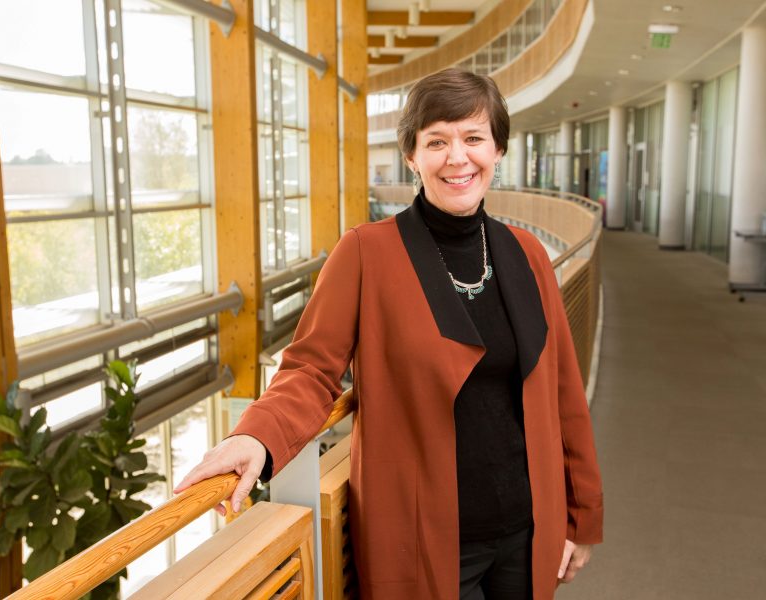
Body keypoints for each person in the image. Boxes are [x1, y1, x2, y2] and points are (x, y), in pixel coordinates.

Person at [175, 68, 603, 600]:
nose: (457, 157)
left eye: (473, 138)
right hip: (427, 535)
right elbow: (310, 368)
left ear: (497, 150)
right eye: (437, 141)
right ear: (411, 156)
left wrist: (581, 515)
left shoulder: (526, 254)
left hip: (527, 524)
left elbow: (563, 391)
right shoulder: (365, 252)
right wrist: (255, 436)